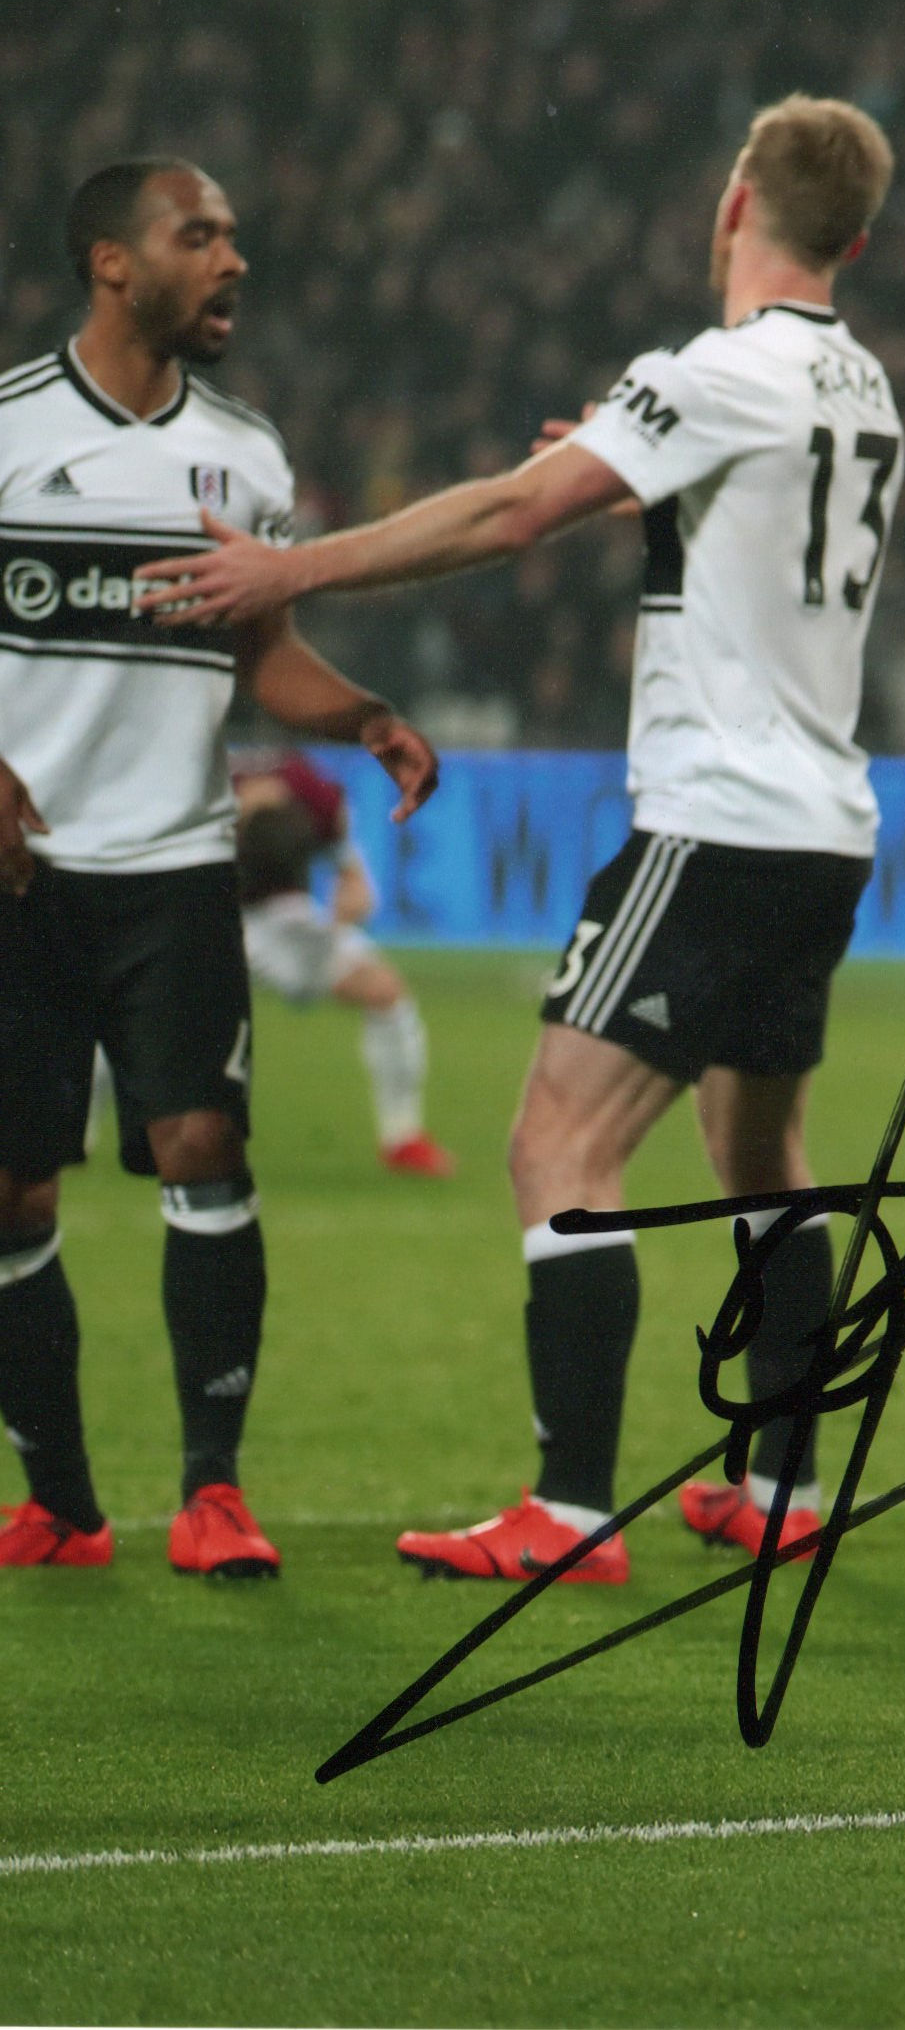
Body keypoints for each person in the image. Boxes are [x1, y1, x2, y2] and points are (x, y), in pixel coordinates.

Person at [141, 96, 899, 1583]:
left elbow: (504, 515)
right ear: (856, 240)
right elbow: (749, 544)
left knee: (558, 1140)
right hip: (823, 826)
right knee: (763, 1161)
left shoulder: (718, 370)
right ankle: (789, 1491)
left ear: (733, 199)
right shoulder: (861, 383)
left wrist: (286, 571)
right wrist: (636, 483)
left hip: (714, 820)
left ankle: (567, 1511)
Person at [0, 157, 438, 1577]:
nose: (234, 258)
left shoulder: (243, 456)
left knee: (203, 1145)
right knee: (12, 1192)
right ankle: (62, 1503)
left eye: (238, 234)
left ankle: (212, 1491)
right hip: (18, 879)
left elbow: (267, 663)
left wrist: (363, 714)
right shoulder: (7, 434)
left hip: (176, 866)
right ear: (112, 263)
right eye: (202, 236)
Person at [230, 747, 451, 1178]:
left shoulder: (317, 796)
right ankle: (87, 1130)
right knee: (138, 1009)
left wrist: (346, 907)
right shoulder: (204, 794)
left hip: (282, 914)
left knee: (385, 992)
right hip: (207, 913)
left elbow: (356, 885)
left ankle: (403, 1139)